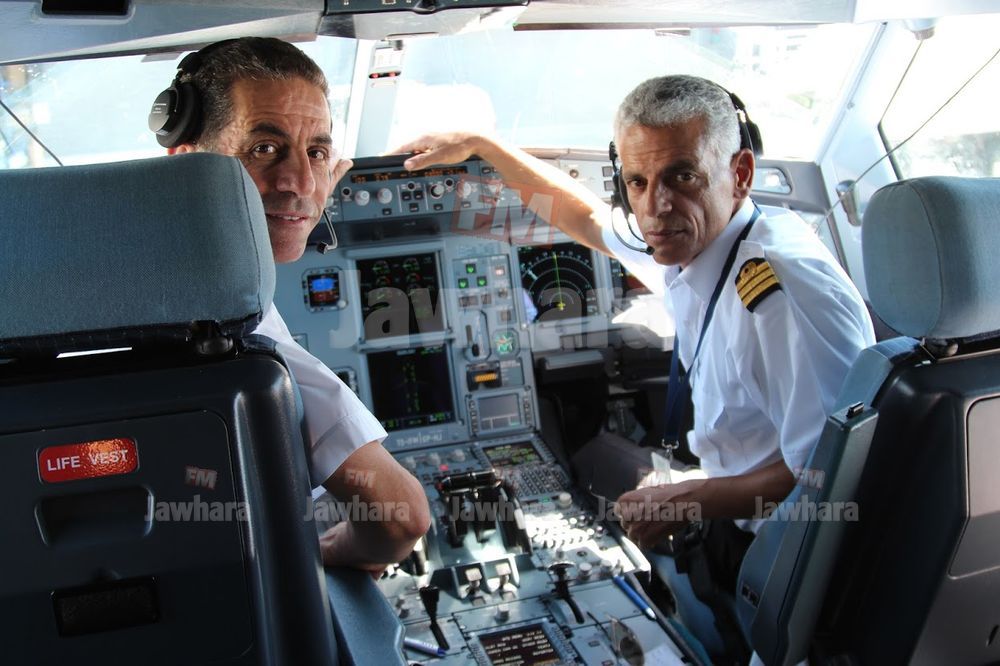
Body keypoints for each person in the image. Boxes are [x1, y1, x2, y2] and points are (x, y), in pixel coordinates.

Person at [392, 75, 874, 657]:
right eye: (637, 182)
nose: (654, 208)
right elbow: (584, 219)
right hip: (728, 495)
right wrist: (484, 145)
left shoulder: (781, 293)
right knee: (594, 455)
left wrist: (691, 500)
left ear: (741, 172)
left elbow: (824, 477)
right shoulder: (694, 241)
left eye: (682, 176)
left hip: (781, 552)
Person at [153, 37, 430, 574]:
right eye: (264, 148)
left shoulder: (112, 266)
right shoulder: (227, 314)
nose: (300, 182)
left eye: (317, 153)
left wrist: (304, 197)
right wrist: (331, 554)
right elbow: (402, 516)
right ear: (186, 163)